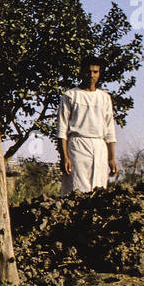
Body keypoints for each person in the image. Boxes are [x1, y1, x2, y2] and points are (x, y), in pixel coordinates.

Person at [57, 56, 117, 196]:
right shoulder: (71, 95)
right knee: (77, 190)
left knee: (98, 190)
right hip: (78, 147)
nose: (91, 75)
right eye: (88, 71)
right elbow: (62, 129)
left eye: (95, 72)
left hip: (99, 147)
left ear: (99, 73)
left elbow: (110, 130)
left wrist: (111, 157)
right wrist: (64, 157)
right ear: (81, 72)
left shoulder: (104, 97)